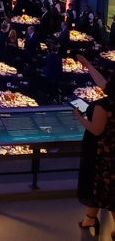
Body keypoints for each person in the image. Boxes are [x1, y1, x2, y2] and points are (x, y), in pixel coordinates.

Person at [73, 54, 115, 237]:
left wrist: (80, 117)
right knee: (104, 190)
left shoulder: (103, 105)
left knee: (102, 189)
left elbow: (96, 130)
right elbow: (102, 83)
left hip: (102, 155)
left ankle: (94, 220)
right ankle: (90, 219)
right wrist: (88, 65)